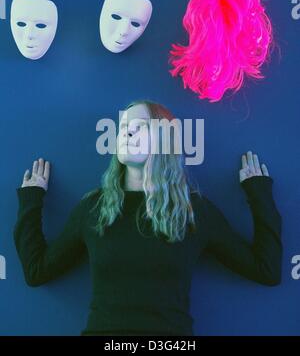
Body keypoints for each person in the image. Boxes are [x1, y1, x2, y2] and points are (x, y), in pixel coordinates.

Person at [14, 100, 282, 336]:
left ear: (165, 137)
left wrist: (258, 194)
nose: (126, 131)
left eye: (139, 125)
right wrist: (31, 199)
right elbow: (37, 272)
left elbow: (265, 270)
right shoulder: (94, 208)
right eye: (123, 127)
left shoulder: (193, 211)